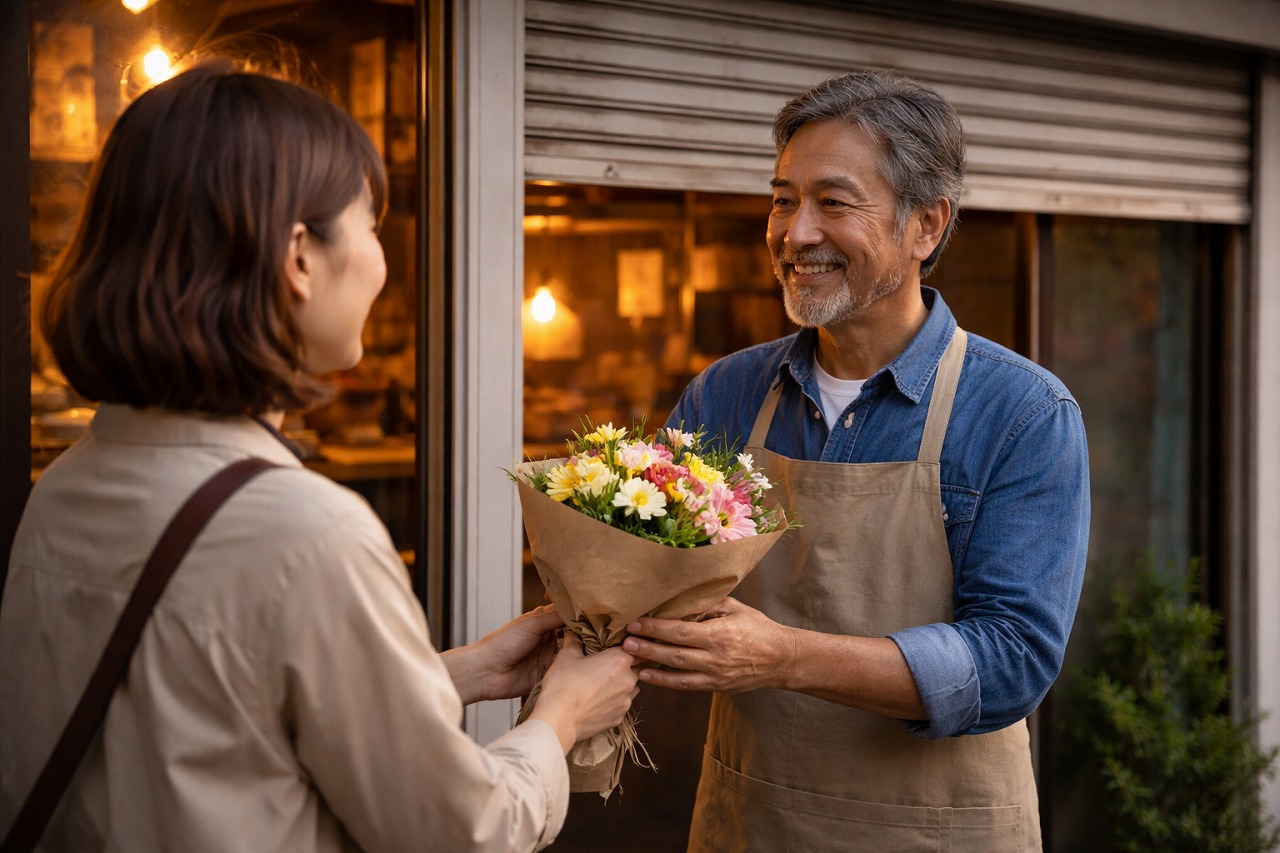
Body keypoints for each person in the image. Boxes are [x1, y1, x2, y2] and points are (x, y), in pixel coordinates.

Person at [0, 62, 639, 853]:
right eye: (370, 222)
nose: (379, 258)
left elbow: (213, 721)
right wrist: (562, 715)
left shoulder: (66, 483)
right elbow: (463, 831)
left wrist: (464, 671)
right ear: (299, 257)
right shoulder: (308, 533)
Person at [622, 70, 1090, 852]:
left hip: (940, 832)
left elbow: (1011, 659)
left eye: (833, 203)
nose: (795, 232)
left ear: (925, 227)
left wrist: (781, 657)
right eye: (782, 199)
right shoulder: (728, 394)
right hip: (754, 823)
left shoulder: (1023, 414)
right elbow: (648, 579)